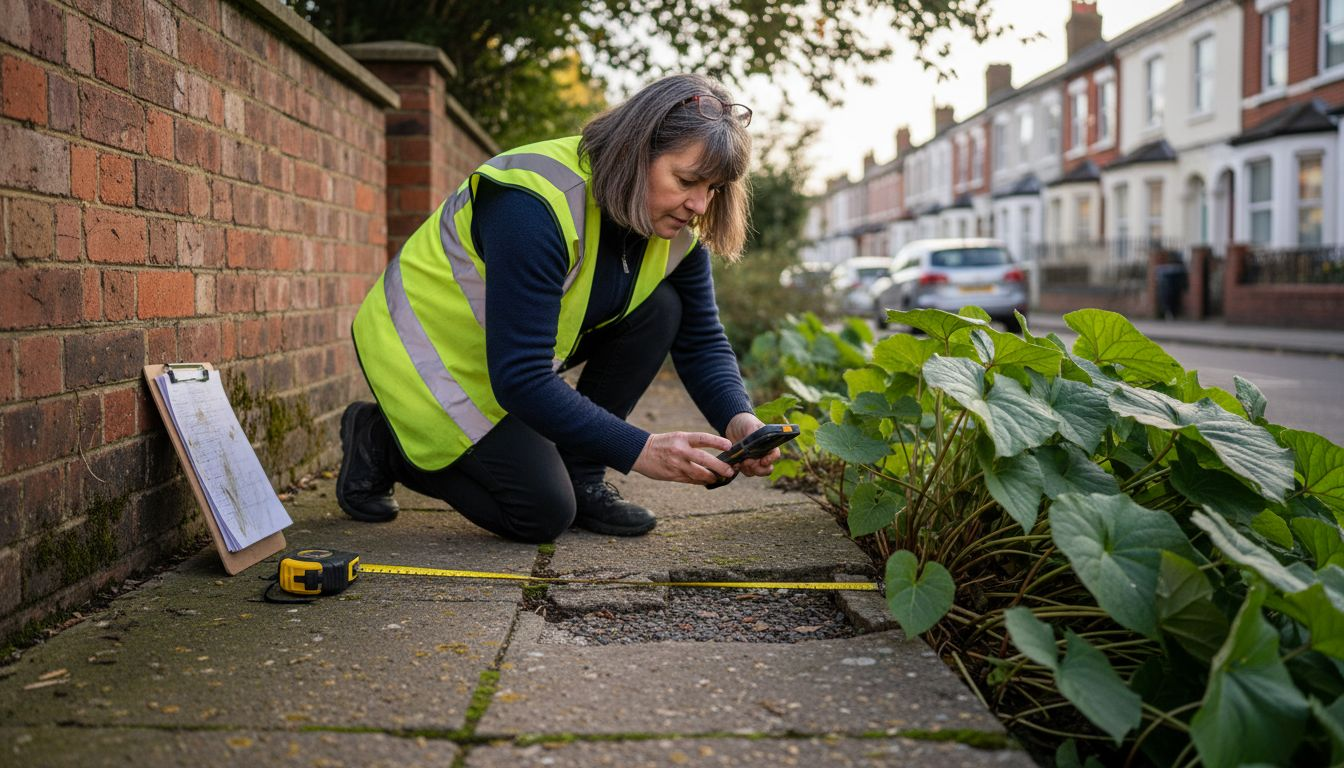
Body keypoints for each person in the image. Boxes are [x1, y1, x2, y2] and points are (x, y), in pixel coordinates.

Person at [337, 73, 779, 543]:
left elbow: (701, 339)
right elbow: (522, 378)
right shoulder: (532, 201)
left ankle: (581, 475)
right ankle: (380, 440)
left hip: (505, 361)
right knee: (541, 514)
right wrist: (641, 450)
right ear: (636, 150)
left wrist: (739, 420)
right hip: (426, 361)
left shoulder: (675, 225)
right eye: (688, 180)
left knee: (663, 307)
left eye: (713, 188)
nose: (698, 204)